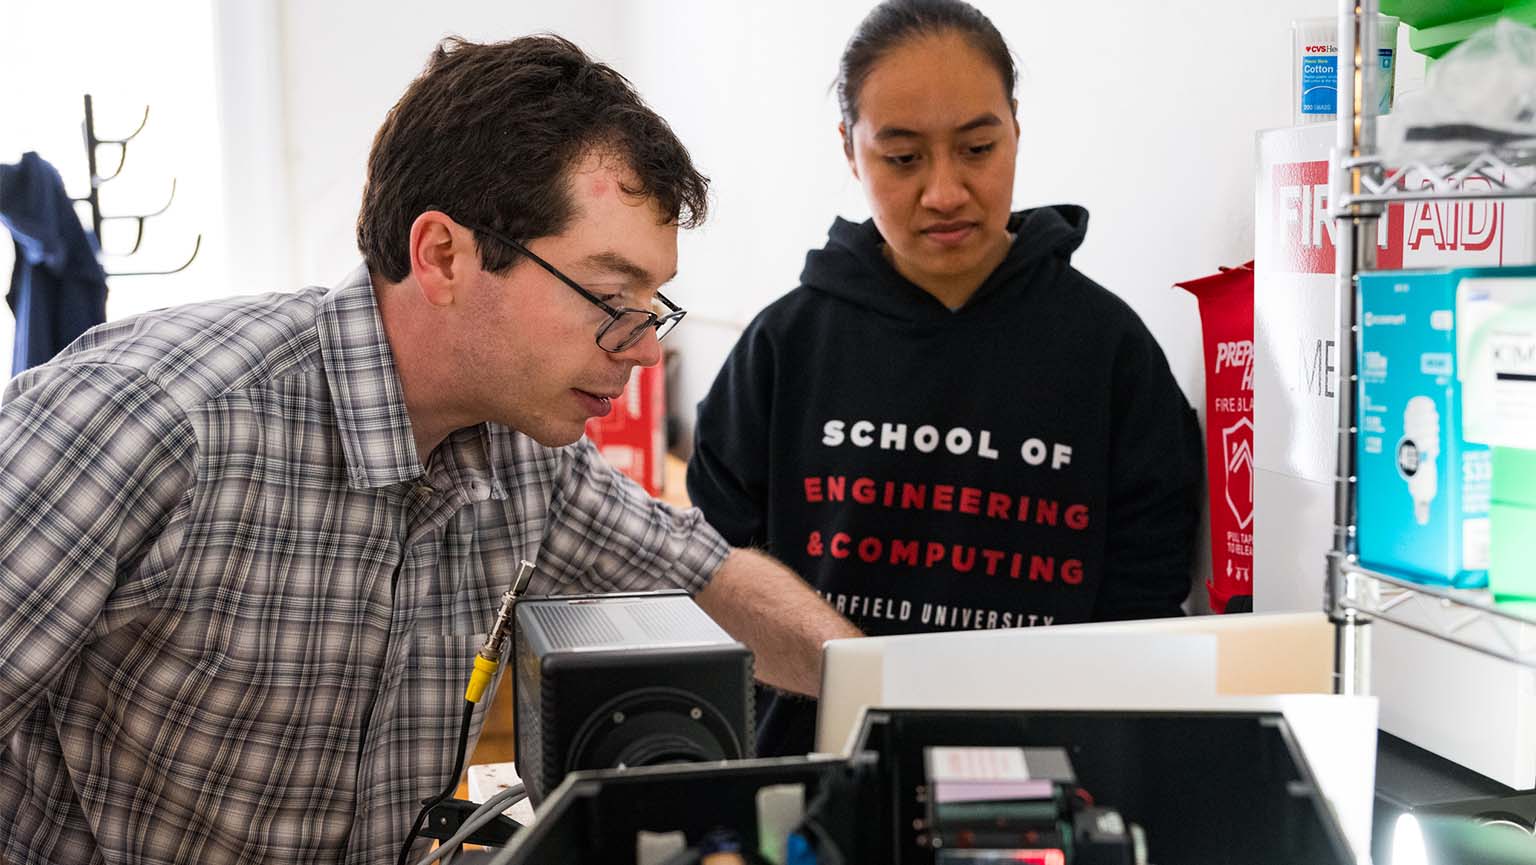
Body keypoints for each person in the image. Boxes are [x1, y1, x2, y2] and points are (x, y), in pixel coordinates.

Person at [0, 36, 859, 865]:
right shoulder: (154, 418)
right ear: (442, 255)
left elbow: (710, 581)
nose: (642, 348)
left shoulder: (529, 455)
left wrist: (888, 693)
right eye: (608, 295)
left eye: (651, 303)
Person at [687, 0, 1203, 758]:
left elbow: (1144, 610)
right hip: (817, 775)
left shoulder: (1110, 352)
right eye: (902, 157)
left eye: (977, 147)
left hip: (1047, 780)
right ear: (850, 150)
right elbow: (714, 583)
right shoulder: (784, 347)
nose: (945, 191)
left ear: (1016, 130)